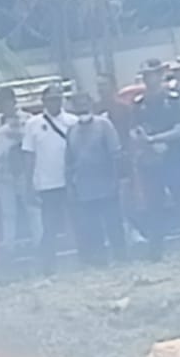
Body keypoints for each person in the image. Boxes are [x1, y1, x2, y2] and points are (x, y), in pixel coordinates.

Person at [132, 59, 180, 260]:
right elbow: (134, 130)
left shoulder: (173, 99)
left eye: (152, 74)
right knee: (153, 205)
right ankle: (156, 248)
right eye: (145, 75)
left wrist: (156, 139)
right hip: (150, 160)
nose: (148, 79)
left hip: (173, 156)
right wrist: (145, 143)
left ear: (160, 75)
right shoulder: (139, 103)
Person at [22, 83, 78, 276]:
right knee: (50, 227)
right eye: (51, 99)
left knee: (78, 222)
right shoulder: (33, 124)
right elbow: (29, 155)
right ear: (44, 101)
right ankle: (48, 265)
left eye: (58, 98)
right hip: (47, 183)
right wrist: (29, 184)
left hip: (70, 181)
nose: (55, 102)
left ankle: (86, 257)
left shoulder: (72, 121)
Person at [67, 92, 127, 266]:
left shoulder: (104, 125)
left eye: (84, 104)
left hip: (107, 184)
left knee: (113, 223)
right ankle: (100, 260)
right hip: (84, 188)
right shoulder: (71, 130)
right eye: (78, 105)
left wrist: (116, 180)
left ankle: (121, 257)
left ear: (91, 104)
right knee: (92, 227)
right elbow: (69, 162)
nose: (82, 108)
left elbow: (115, 154)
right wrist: (71, 186)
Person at [0, 85, 31, 269]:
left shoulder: (27, 119)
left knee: (31, 208)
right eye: (1, 103)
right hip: (4, 172)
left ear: (13, 102)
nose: (4, 106)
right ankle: (8, 248)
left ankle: (39, 242)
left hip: (23, 171)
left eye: (7, 102)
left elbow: (30, 142)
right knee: (8, 213)